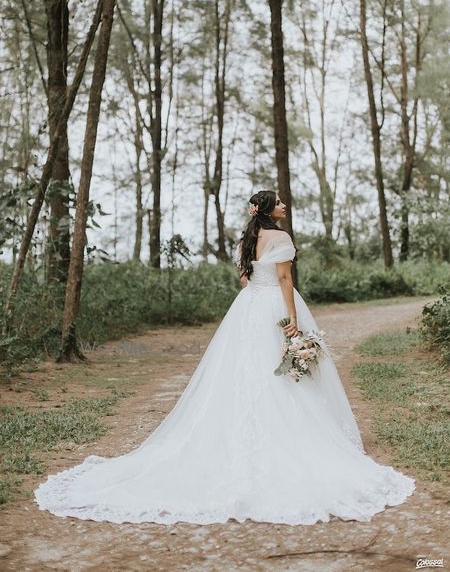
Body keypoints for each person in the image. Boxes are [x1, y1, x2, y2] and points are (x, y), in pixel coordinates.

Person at [34, 189, 415, 525]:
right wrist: (292, 321)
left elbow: (244, 278)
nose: (283, 205)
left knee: (240, 370)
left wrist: (258, 294)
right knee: (280, 369)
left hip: (247, 307)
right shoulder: (280, 237)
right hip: (273, 306)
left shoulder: (248, 239)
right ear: (267, 209)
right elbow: (285, 280)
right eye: (278, 201)